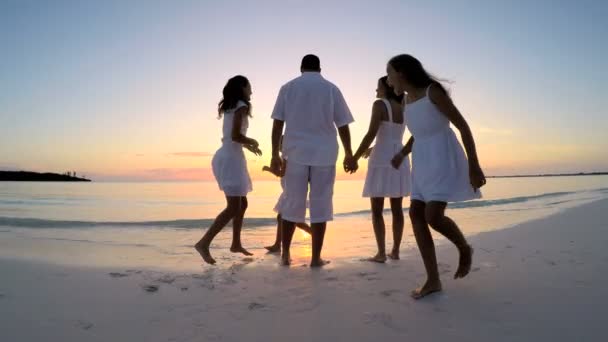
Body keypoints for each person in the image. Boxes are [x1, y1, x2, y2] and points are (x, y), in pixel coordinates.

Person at [387, 54, 486, 298]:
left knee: (433, 215)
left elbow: (462, 125)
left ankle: (464, 248)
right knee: (415, 214)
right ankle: (433, 280)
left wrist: (474, 165)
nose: (388, 81)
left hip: (443, 156)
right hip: (421, 160)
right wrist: (402, 153)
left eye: (389, 74)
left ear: (401, 72)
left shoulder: (433, 92)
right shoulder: (407, 100)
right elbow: (419, 132)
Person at [269, 54, 357, 267]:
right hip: (324, 154)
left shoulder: (288, 88)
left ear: (301, 68)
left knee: (291, 203)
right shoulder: (331, 89)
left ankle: (285, 254)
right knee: (321, 205)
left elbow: (277, 125)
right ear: (320, 68)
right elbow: (343, 124)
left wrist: (273, 154)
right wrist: (348, 152)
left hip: (295, 153)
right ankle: (315, 258)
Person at [194, 75, 262, 265]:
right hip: (231, 160)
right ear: (242, 88)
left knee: (242, 204)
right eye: (250, 87)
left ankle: (236, 243)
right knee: (233, 206)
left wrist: (248, 146)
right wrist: (252, 141)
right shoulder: (241, 105)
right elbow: (235, 135)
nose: (252, 91)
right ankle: (203, 243)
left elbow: (232, 136)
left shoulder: (232, 106)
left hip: (229, 156)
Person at [349, 76, 411, 263]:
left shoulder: (380, 105)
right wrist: (373, 148)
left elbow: (371, 134)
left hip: (382, 158)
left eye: (378, 88)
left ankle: (381, 253)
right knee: (397, 208)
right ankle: (396, 251)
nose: (376, 91)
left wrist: (355, 156)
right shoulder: (404, 106)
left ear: (386, 88)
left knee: (377, 209)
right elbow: (392, 134)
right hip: (399, 156)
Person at [263, 136, 312, 253]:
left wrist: (269, 169)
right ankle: (277, 245)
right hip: (288, 191)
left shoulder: (287, 156)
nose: (279, 148)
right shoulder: (290, 156)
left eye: (280, 145)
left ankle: (314, 233)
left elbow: (281, 173)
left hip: (292, 192)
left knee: (290, 219)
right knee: (283, 217)